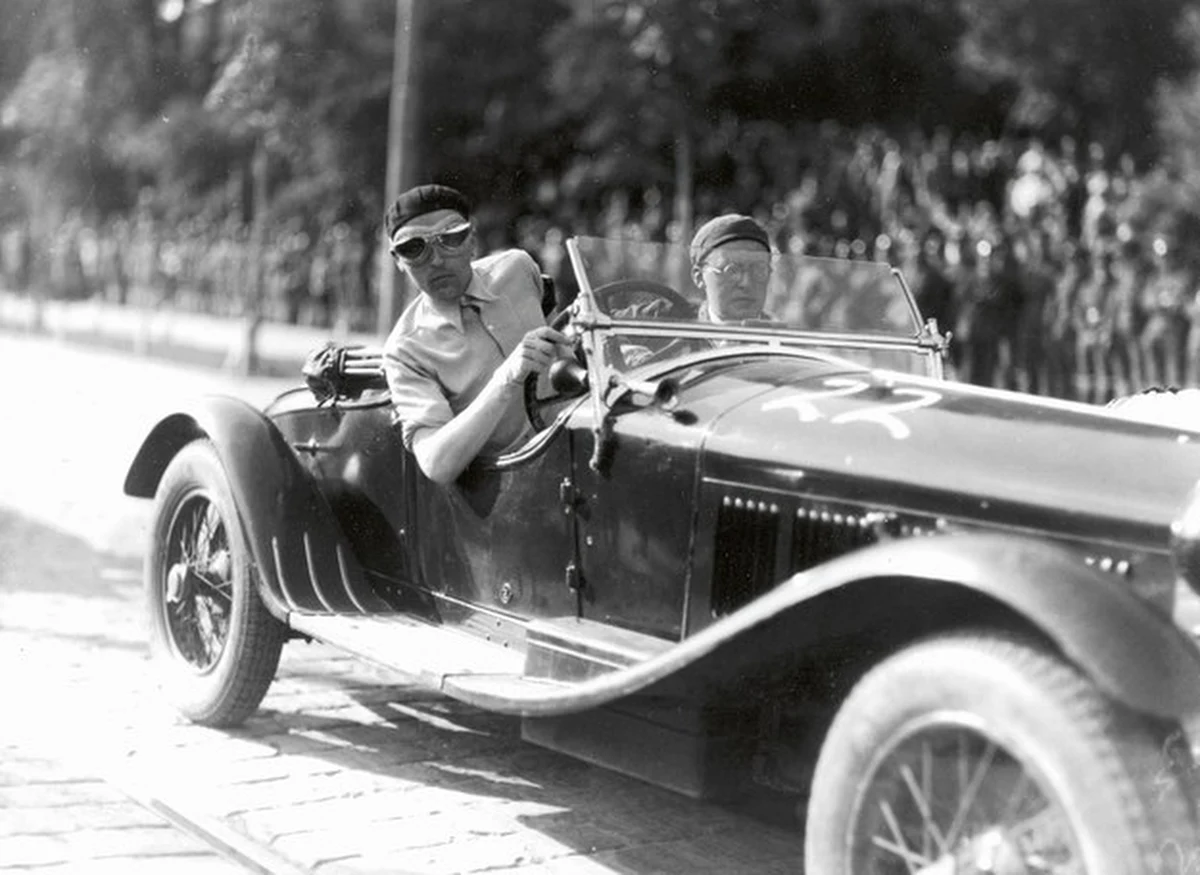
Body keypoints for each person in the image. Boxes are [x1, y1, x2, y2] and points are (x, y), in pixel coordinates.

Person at [382, 184, 569, 485]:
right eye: (414, 249)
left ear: (472, 241)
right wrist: (506, 379)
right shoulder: (406, 350)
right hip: (509, 491)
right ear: (398, 262)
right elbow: (436, 462)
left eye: (451, 239)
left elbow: (560, 340)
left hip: (577, 453)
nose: (437, 260)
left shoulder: (518, 269)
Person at [689, 213, 773, 323]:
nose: (746, 283)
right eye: (732, 271)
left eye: (758, 270)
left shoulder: (784, 337)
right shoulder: (675, 335)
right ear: (699, 277)